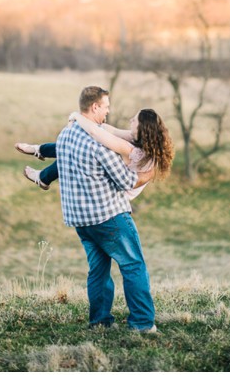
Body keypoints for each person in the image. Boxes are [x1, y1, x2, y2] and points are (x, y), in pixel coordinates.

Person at [55, 86, 158, 332]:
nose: (108, 111)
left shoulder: (65, 134)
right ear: (95, 107)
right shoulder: (99, 145)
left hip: (81, 221)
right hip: (109, 217)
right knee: (133, 265)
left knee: (98, 270)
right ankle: (142, 323)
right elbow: (125, 181)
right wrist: (146, 175)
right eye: (106, 107)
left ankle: (100, 321)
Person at [18, 107, 174, 196]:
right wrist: (93, 123)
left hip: (113, 193)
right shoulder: (147, 143)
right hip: (114, 182)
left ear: (142, 128)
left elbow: (97, 134)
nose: (130, 121)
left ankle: (43, 170)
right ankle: (40, 152)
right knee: (84, 143)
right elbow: (110, 130)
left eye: (134, 120)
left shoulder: (133, 151)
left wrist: (77, 117)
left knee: (80, 150)